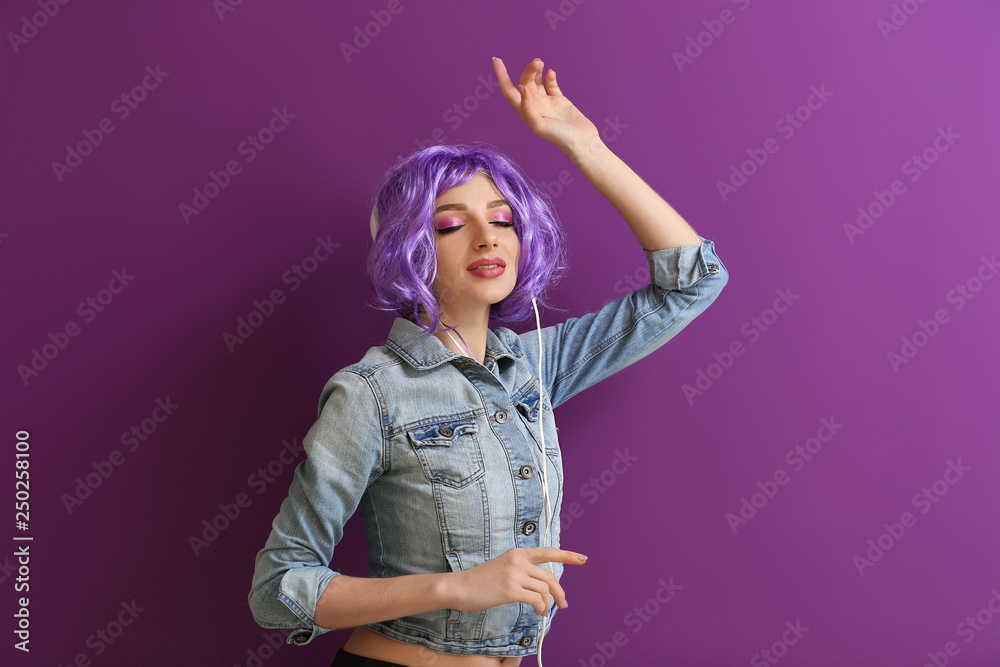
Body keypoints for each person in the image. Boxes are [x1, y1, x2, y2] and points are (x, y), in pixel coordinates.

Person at [247, 56, 729, 666]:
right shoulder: (371, 392)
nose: (488, 237)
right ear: (411, 247)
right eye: (451, 225)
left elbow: (691, 284)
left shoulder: (535, 366)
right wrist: (455, 588)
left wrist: (585, 148)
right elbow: (277, 590)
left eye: (503, 219)